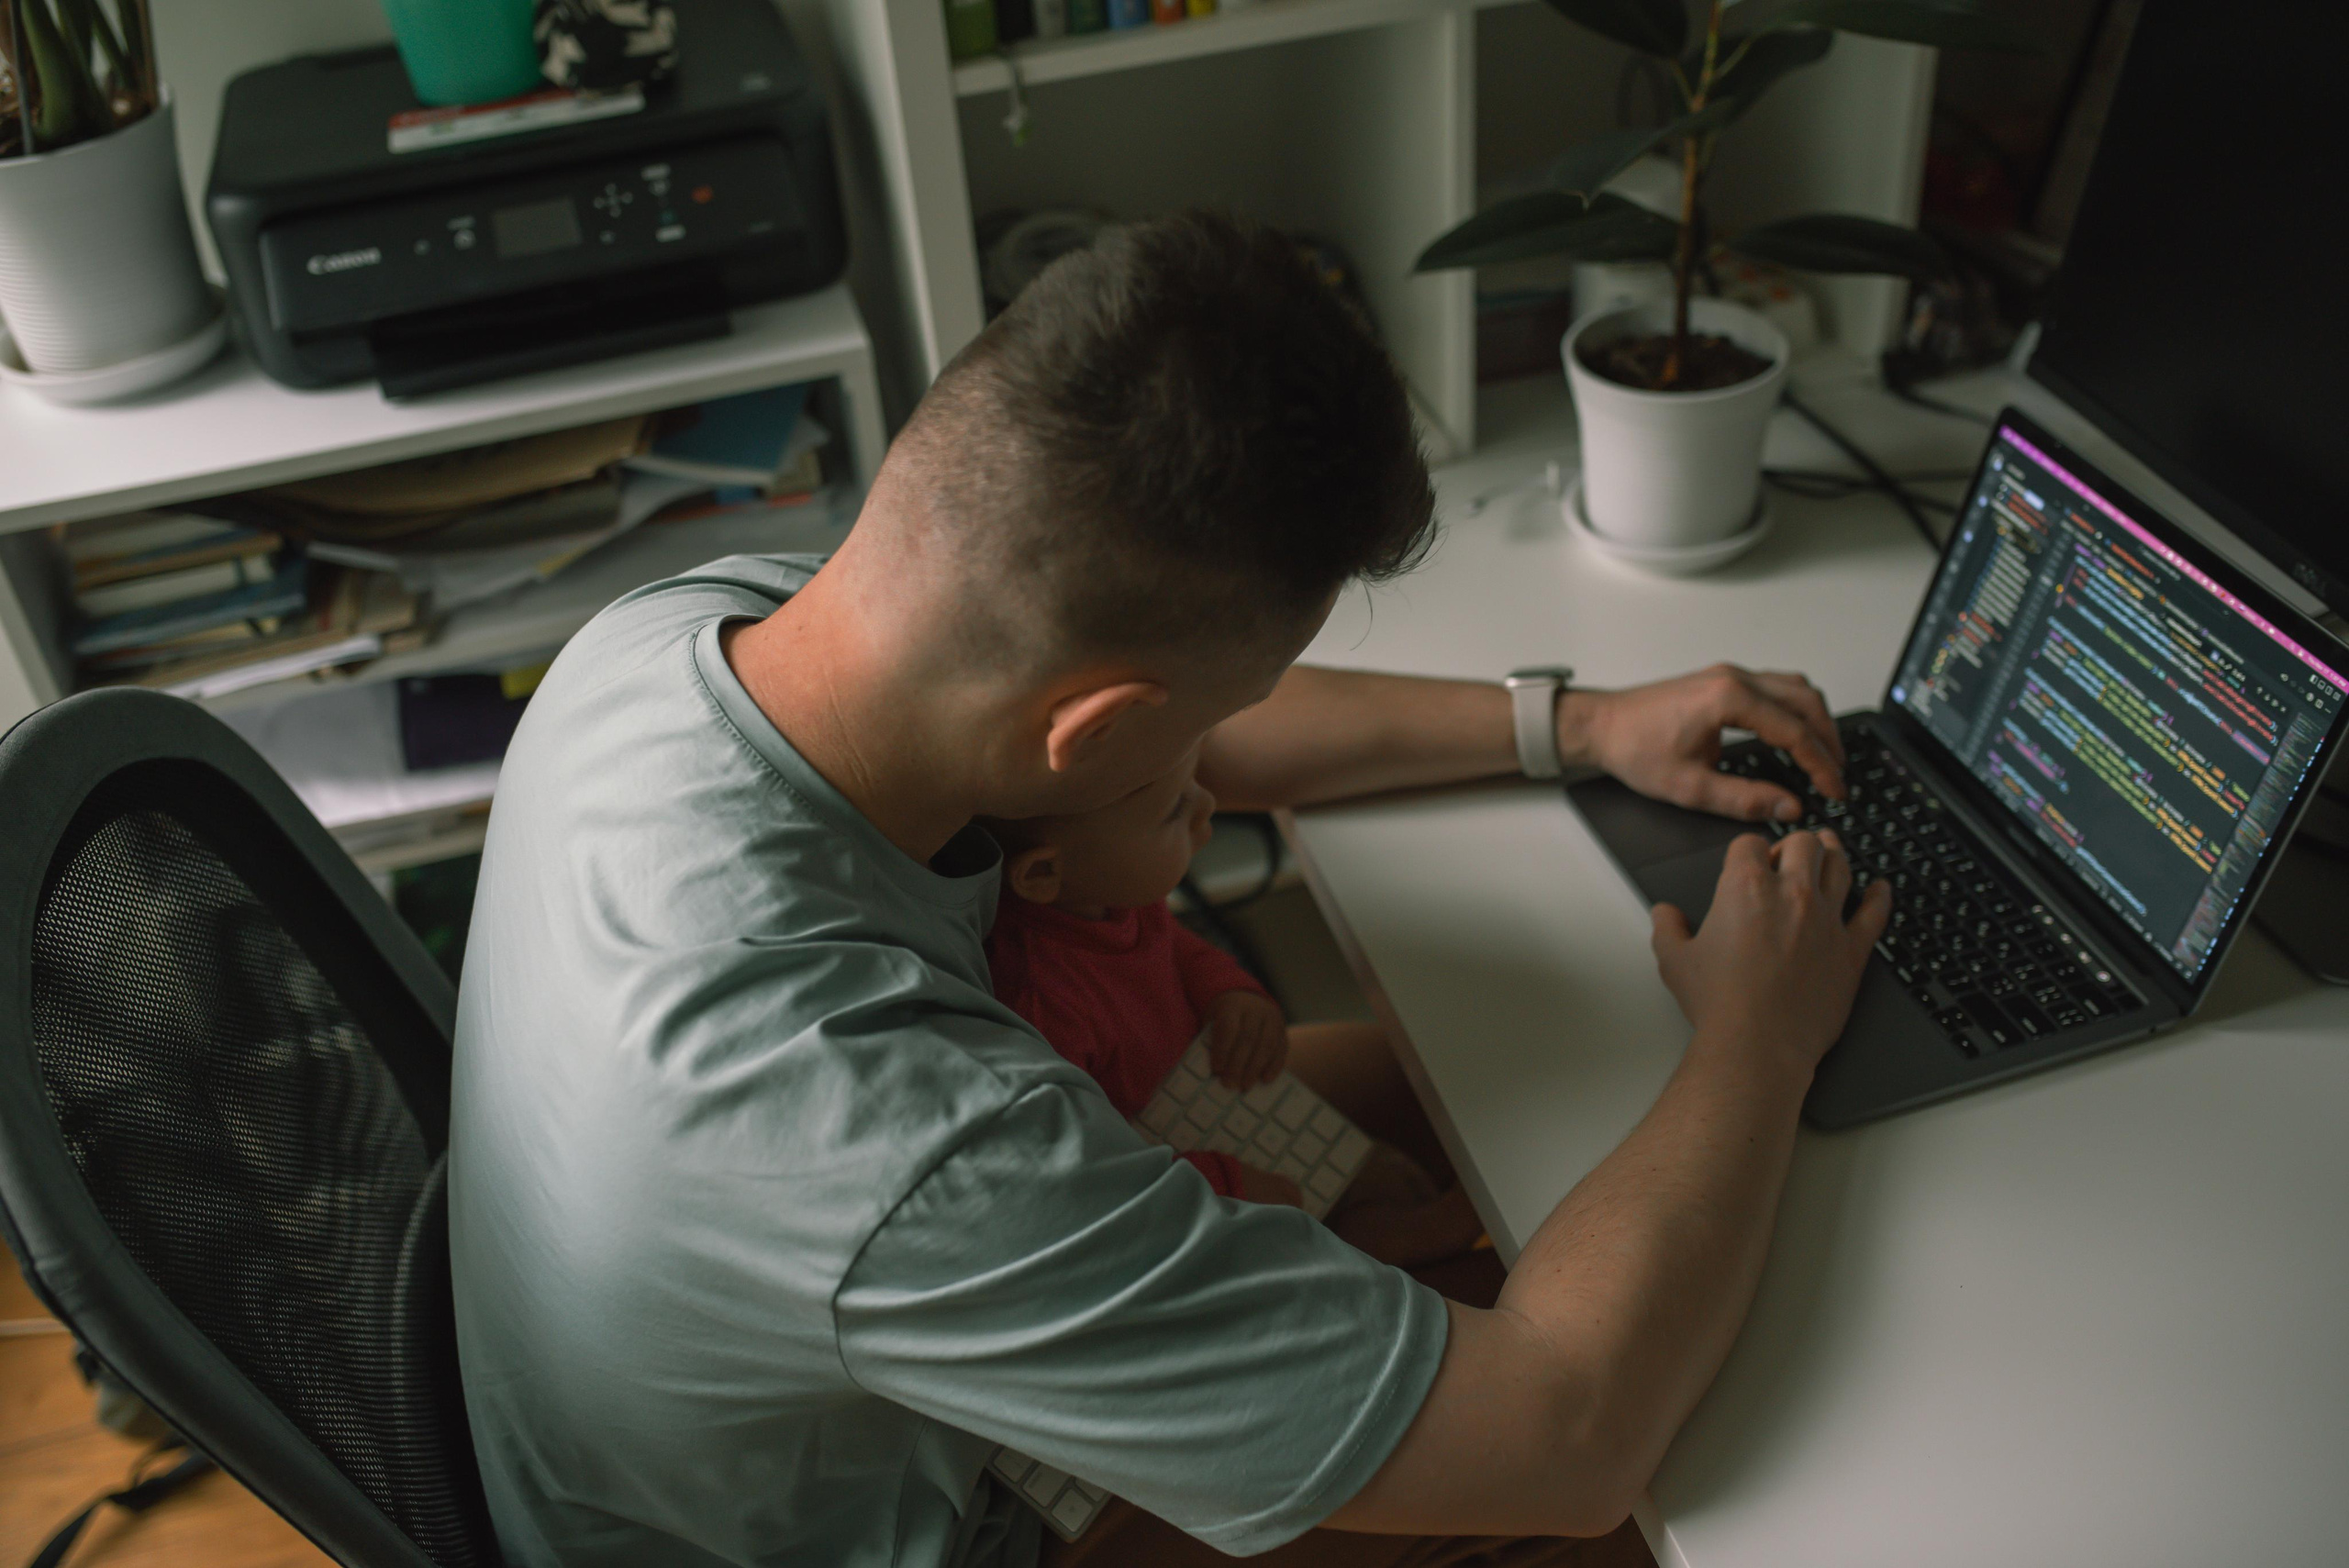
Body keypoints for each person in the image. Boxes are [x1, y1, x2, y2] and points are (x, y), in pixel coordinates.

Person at [448, 211, 1888, 1568]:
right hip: (933, 1523)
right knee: (1677, 1481)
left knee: (1518, 1094)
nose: (1217, 758)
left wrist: (1577, 725)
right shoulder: (900, 1145)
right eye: (1202, 726)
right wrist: (1758, 1039)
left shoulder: (697, 636)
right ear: (1096, 733)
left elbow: (1116, 732)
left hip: (763, 1375)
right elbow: (1563, 1431)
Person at [981, 757, 1486, 1268]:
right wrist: (1225, 1182)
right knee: (1307, 1218)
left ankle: (1355, 1184)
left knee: (1348, 1132)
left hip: (1201, 1090)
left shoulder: (1108, 893)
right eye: (1173, 810)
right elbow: (1097, 1173)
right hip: (1168, 1156)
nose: (1207, 806)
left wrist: (1231, 993)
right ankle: (1390, 1235)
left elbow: (1178, 951)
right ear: (1042, 873)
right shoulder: (1040, 1004)